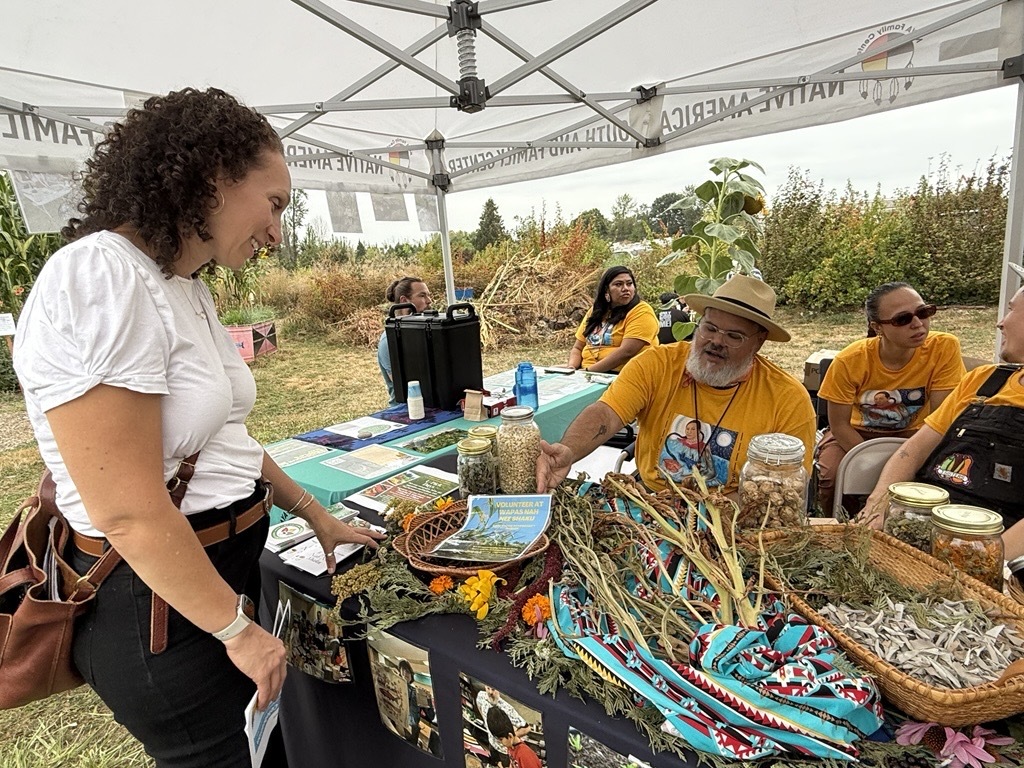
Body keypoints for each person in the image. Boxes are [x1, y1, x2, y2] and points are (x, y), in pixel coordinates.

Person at [12, 87, 385, 768]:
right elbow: (126, 510)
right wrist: (236, 628)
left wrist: (314, 514)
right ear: (212, 179)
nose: (277, 232)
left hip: (214, 582)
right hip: (163, 610)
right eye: (273, 203)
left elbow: (226, 440)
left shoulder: (183, 285)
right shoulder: (102, 277)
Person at [538, 273, 816, 495]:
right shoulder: (657, 364)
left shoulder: (787, 399)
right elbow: (606, 413)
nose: (716, 341)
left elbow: (784, 486)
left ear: (759, 342)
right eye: (709, 328)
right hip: (653, 504)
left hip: (733, 519)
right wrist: (569, 451)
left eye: (734, 336)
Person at [859, 269, 1024, 559]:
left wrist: (985, 565)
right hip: (919, 527)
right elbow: (914, 450)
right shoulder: (985, 380)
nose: (1000, 322)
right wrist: (878, 504)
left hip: (987, 553)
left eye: (1011, 310)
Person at [815, 282, 965, 513]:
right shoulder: (850, 360)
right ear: (877, 327)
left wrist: (904, 458)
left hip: (917, 434)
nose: (918, 324)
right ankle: (836, 523)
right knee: (831, 476)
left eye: (923, 312)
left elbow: (940, 419)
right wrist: (871, 459)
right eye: (902, 319)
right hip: (856, 434)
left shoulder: (944, 348)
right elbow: (839, 426)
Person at [568, 266, 659, 373]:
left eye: (629, 284)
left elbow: (626, 352)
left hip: (624, 374)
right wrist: (571, 368)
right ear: (606, 290)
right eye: (618, 284)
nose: (625, 288)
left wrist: (587, 372)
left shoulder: (642, 311)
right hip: (586, 372)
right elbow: (578, 348)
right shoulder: (595, 311)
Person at [377, 276, 433, 403]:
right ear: (404, 300)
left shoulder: (427, 332)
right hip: (406, 409)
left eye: (429, 295)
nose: (429, 301)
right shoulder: (389, 341)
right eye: (422, 296)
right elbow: (407, 386)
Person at [476, 684, 531, 767]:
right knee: (495, 761)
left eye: (493, 689)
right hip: (491, 742)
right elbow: (479, 707)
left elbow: (527, 728)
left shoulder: (507, 709)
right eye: (488, 688)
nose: (490, 692)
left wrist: (508, 738)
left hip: (504, 749)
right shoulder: (481, 696)